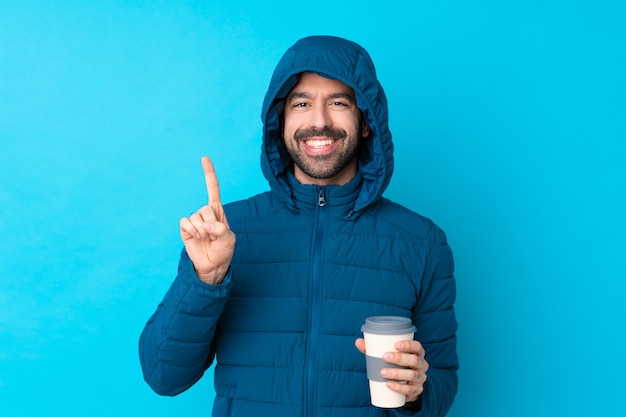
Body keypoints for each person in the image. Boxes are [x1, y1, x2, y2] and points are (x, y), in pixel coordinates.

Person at [139, 35, 458, 417]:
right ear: (281, 121)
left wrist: (417, 392)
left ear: (366, 121)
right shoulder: (227, 233)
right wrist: (205, 279)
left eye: (338, 103)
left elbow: (442, 381)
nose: (319, 121)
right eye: (302, 103)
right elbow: (163, 376)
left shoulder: (422, 243)